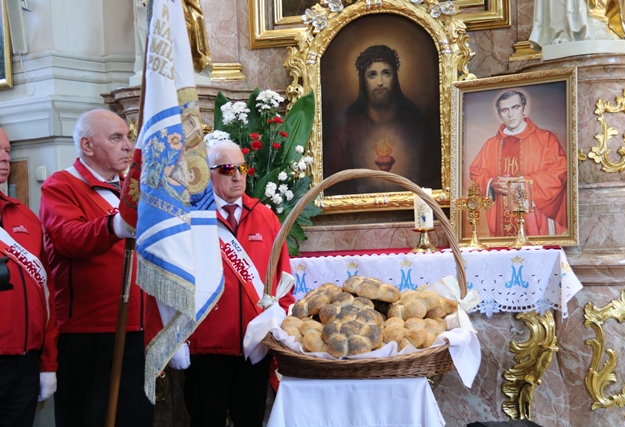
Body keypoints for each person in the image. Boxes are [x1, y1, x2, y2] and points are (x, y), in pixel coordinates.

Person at [147, 139, 295, 426]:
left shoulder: (265, 217)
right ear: (208, 173)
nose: (237, 176)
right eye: (227, 169)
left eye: (242, 168)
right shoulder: (190, 219)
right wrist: (175, 340)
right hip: (206, 350)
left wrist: (282, 329)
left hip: (255, 350)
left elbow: (283, 280)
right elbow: (170, 282)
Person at [39, 109, 153, 426]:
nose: (128, 146)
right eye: (116, 138)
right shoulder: (62, 185)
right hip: (88, 332)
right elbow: (68, 239)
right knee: (88, 416)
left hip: (136, 327)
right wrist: (114, 225)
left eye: (128, 137)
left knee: (135, 418)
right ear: (87, 145)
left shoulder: (132, 189)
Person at [324, 44, 441, 195]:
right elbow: (336, 186)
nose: (380, 82)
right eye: (372, 75)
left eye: (386, 73)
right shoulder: (346, 129)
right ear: (363, 81)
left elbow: (431, 178)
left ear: (395, 78)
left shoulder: (415, 124)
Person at [0, 128, 58, 426]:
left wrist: (48, 362)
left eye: (7, 150)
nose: (4, 158)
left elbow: (47, 294)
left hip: (26, 361)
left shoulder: (24, 215)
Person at [468, 90, 568, 238]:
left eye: (515, 107)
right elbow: (476, 173)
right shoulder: (490, 145)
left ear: (524, 109)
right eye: (505, 110)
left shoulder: (546, 139)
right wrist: (491, 183)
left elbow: (558, 173)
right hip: (500, 218)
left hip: (535, 217)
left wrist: (520, 183)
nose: (510, 114)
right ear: (499, 114)